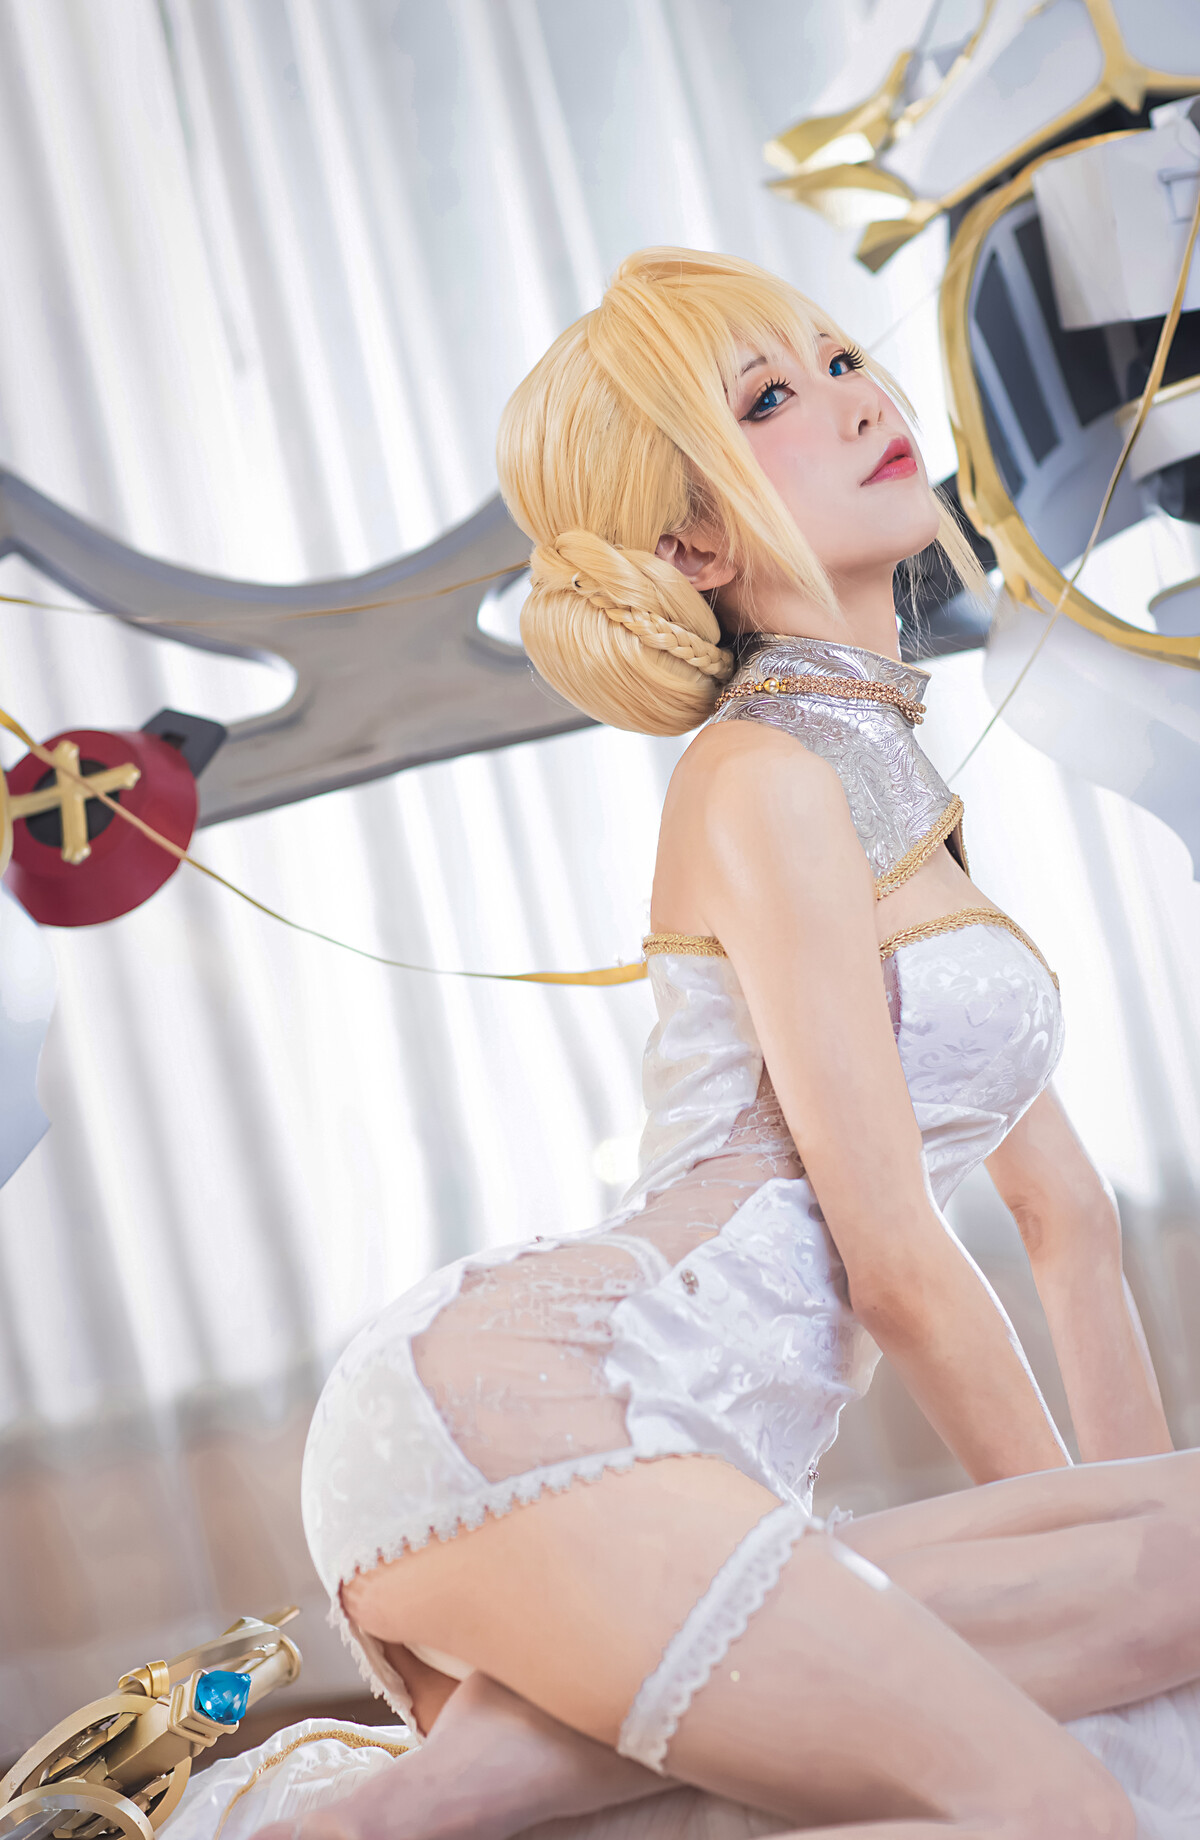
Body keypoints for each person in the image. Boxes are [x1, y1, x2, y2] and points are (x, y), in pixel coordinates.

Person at [281, 250, 1200, 1840]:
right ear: (694, 543)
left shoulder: (898, 791)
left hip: (681, 1468)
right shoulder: (759, 776)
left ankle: (456, 1774)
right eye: (771, 398)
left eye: (842, 359)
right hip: (546, 1404)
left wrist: (1144, 1576)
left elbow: (1067, 1217)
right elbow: (897, 1263)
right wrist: (1086, 1576)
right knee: (1070, 1807)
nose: (856, 399)